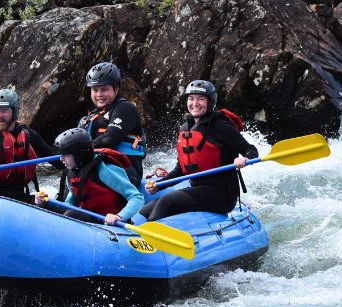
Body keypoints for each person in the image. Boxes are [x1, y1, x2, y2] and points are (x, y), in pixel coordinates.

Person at [139, 80, 259, 221]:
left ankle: (149, 240)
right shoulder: (185, 128)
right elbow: (181, 169)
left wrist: (245, 158)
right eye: (191, 99)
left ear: (210, 102)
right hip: (197, 190)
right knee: (147, 209)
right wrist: (159, 186)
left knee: (166, 202)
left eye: (200, 99)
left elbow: (251, 149)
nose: (195, 103)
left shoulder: (220, 126)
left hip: (222, 194)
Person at [35, 128, 144, 226]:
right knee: (58, 211)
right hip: (93, 219)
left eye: (65, 155)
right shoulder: (72, 172)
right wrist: (46, 203)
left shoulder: (105, 170)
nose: (61, 159)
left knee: (71, 215)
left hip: (112, 223)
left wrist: (119, 216)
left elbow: (136, 197)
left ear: (80, 154)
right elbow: (69, 204)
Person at [78, 62, 147, 184]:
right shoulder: (90, 117)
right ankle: (61, 200)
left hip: (126, 171)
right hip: (99, 166)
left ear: (116, 89)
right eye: (95, 90)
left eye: (104, 89)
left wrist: (79, 151)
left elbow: (109, 139)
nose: (99, 94)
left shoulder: (126, 108)